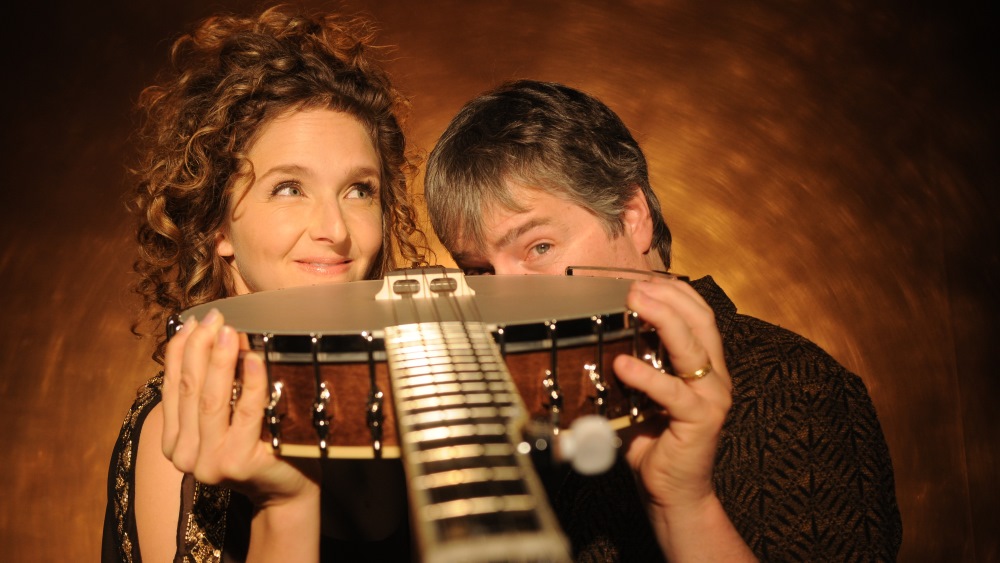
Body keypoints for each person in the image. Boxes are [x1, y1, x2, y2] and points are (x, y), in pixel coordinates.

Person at [423, 79, 903, 561]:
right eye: (479, 272)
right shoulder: (508, 417)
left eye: (540, 247)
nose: (505, 298)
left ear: (632, 216)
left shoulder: (796, 386)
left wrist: (684, 506)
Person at [102, 5, 427, 561]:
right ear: (219, 225)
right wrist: (285, 506)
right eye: (288, 188)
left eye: (359, 190)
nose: (335, 231)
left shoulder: (421, 400)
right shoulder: (178, 432)